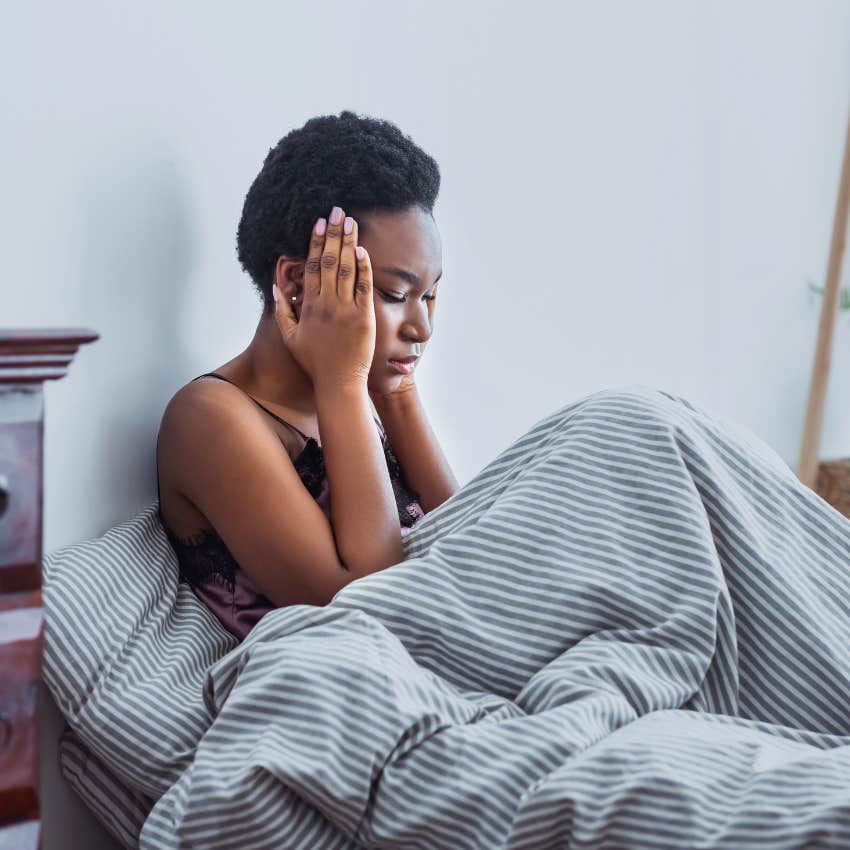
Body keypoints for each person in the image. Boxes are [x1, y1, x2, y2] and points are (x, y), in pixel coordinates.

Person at [156, 111, 459, 641]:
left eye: (429, 295)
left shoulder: (370, 396)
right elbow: (370, 605)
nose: (422, 327)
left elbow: (472, 545)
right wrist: (342, 381)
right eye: (394, 294)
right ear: (299, 282)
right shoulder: (210, 417)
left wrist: (397, 392)